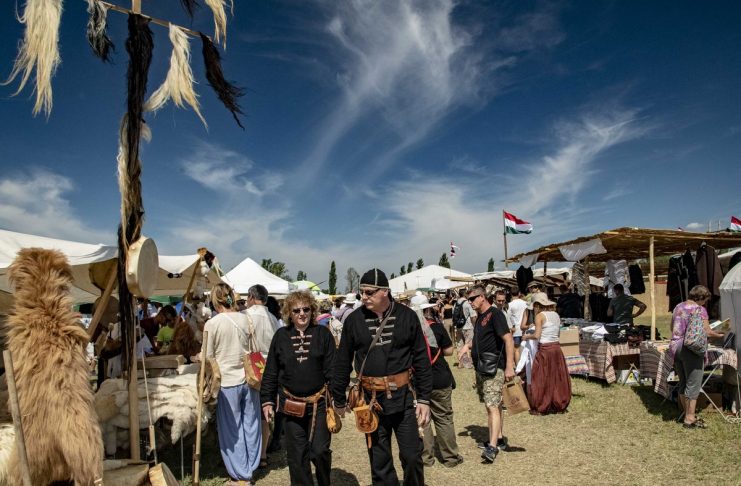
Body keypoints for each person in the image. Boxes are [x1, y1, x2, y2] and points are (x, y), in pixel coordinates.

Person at [331, 268, 432, 486]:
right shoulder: (354, 320)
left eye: (369, 292)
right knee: (379, 462)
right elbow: (342, 361)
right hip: (370, 401)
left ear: (384, 291)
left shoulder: (407, 316)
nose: (363, 297)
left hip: (404, 399)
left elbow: (421, 359)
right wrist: (338, 397)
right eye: (362, 292)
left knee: (412, 456)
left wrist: (424, 399)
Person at [261, 291, 336, 485]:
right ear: (289, 313)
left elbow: (332, 369)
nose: (302, 313)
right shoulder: (281, 336)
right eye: (296, 310)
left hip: (319, 403)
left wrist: (337, 398)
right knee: (297, 455)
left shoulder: (323, 334)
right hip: (291, 404)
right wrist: (267, 400)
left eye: (306, 309)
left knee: (320, 451)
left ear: (312, 310)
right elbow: (271, 371)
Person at [204, 283, 262, 485]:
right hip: (249, 378)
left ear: (215, 299)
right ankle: (251, 466)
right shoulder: (246, 319)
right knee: (251, 424)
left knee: (232, 429)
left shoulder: (212, 324)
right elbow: (252, 348)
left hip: (227, 382)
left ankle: (241, 474)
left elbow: (208, 357)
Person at [457, 286, 515, 464]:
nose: (470, 302)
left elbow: (508, 339)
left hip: (494, 368)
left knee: (492, 406)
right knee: (493, 405)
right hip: (483, 368)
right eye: (468, 299)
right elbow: (480, 339)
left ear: (482, 297)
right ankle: (498, 439)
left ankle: (492, 447)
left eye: (473, 298)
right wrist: (467, 346)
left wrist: (510, 366)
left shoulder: (495, 314)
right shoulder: (481, 316)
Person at [413, 296, 463, 468]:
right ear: (427, 309)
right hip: (439, 377)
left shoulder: (409, 330)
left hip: (418, 380)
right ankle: (450, 457)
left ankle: (426, 457)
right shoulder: (436, 327)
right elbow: (449, 351)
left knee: (422, 419)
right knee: (444, 418)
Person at [669, 285, 725, 429]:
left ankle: (685, 413)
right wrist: (720, 334)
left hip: (675, 347)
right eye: (705, 300)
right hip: (691, 349)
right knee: (693, 384)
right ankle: (690, 419)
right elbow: (707, 331)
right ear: (701, 298)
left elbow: (672, 327)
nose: (705, 303)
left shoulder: (678, 307)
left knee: (683, 382)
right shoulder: (700, 310)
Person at [243, 284, 280, 467]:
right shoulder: (273, 319)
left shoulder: (245, 316)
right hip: (270, 369)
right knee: (265, 414)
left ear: (251, 297)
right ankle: (263, 454)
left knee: (250, 414)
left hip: (251, 369)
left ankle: (251, 454)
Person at [522, 293, 571, 415]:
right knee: (556, 377)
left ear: (537, 305)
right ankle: (558, 403)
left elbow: (537, 335)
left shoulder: (540, 316)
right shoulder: (556, 315)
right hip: (556, 348)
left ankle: (542, 404)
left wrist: (526, 337)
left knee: (541, 377)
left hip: (545, 349)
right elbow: (558, 333)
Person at [452, 290, 476, 369]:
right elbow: (473, 316)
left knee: (460, 345)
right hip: (468, 326)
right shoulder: (468, 303)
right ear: (465, 294)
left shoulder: (456, 303)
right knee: (468, 345)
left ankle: (460, 363)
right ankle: (468, 364)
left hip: (459, 327)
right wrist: (475, 326)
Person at [506, 287, 527, 364]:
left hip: (515, 330)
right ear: (519, 293)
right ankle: (524, 365)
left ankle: (518, 366)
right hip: (525, 329)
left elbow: (509, 318)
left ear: (511, 294)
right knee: (524, 348)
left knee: (516, 349)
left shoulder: (510, 305)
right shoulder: (525, 303)